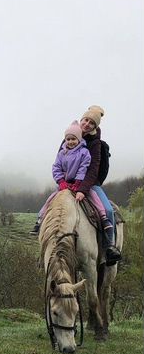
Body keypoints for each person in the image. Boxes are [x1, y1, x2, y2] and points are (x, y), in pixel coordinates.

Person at [74, 106, 121, 264]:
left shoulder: (96, 144)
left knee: (108, 210)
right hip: (69, 183)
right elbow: (61, 160)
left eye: (91, 123)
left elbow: (94, 170)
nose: (87, 124)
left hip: (90, 184)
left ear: (95, 127)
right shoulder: (71, 135)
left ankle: (109, 247)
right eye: (85, 120)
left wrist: (83, 188)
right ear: (81, 120)